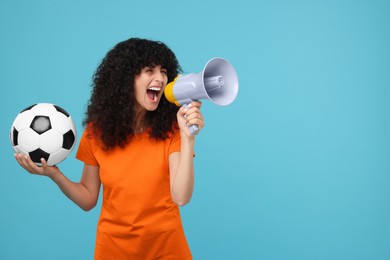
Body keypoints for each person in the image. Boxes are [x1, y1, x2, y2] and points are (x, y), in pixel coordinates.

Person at [15, 38, 204, 259]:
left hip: (167, 249)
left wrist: (188, 138)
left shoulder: (172, 130)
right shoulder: (97, 133)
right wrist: (55, 175)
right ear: (126, 79)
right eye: (149, 70)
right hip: (113, 250)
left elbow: (181, 197)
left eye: (163, 71)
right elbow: (88, 199)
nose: (160, 78)